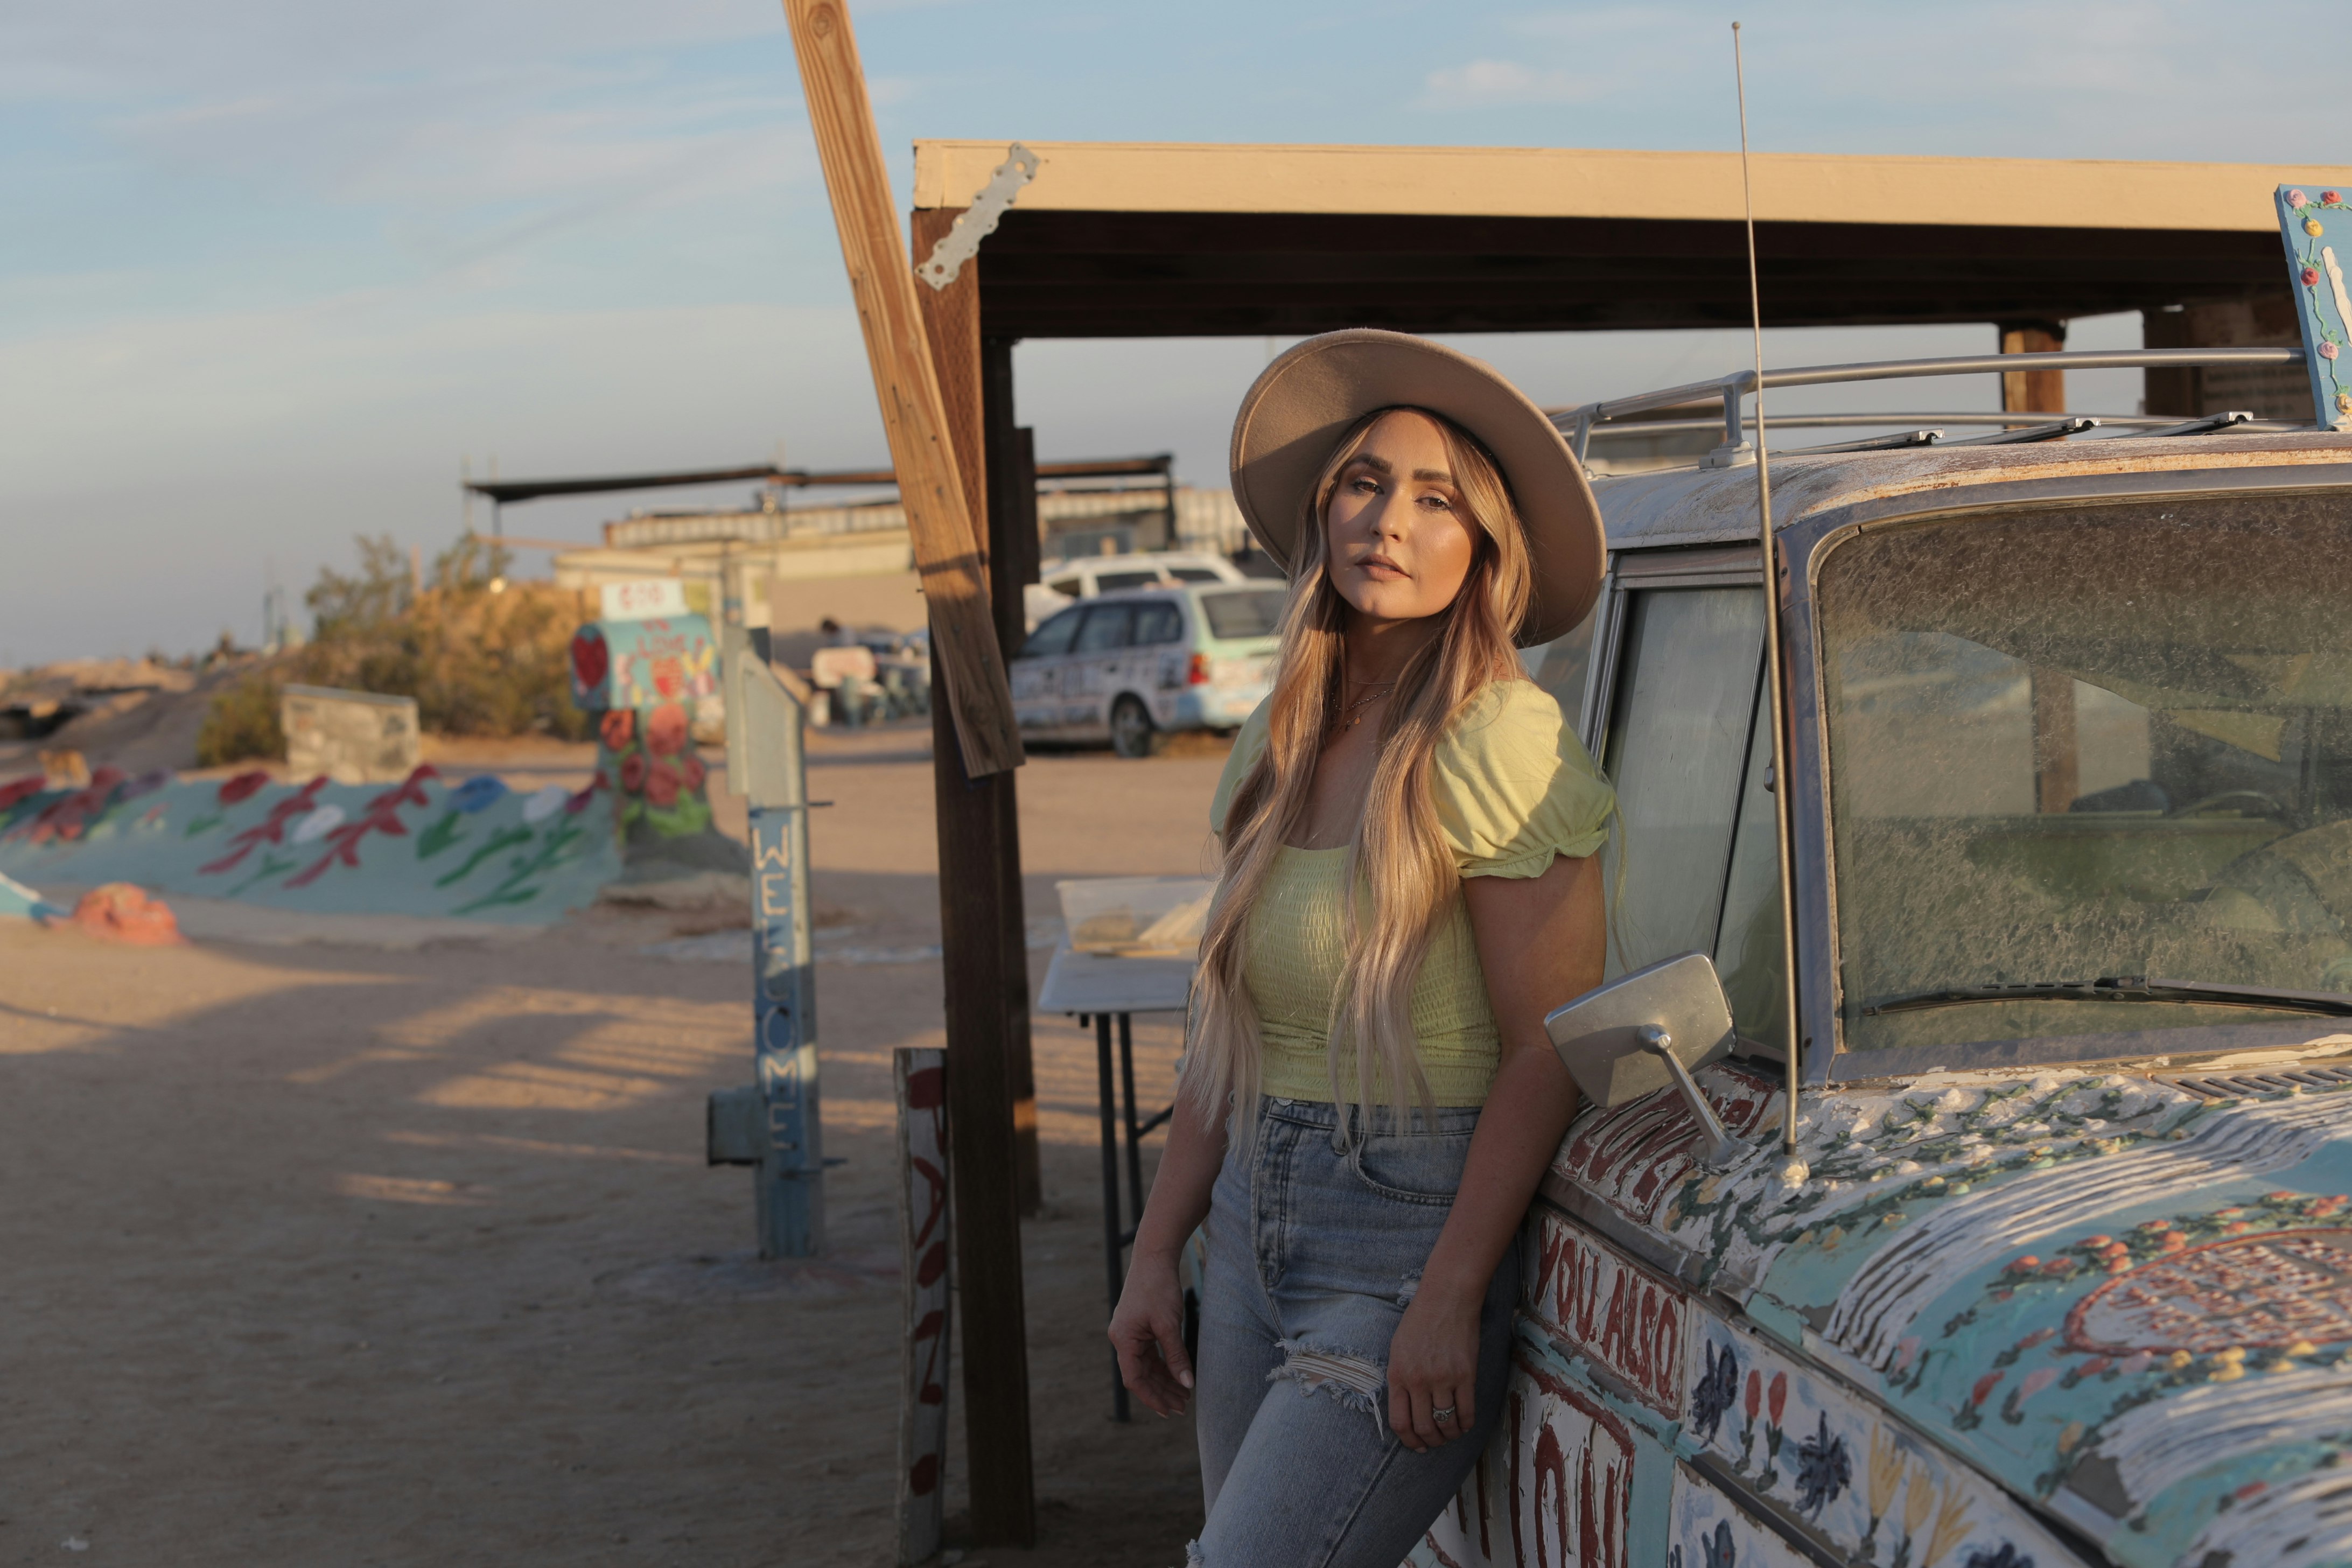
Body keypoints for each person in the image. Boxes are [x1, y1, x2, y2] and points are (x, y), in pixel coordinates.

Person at [1108, 330, 1615, 1566]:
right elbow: (1230, 1040)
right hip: (1247, 1239)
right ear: (1322, 513)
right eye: (1363, 482)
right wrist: (1153, 1248)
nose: (1388, 518)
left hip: (1403, 1240)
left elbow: (1549, 1048)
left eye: (1436, 499)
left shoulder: (1500, 738)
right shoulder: (1276, 746)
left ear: (1483, 548)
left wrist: (1448, 1293)